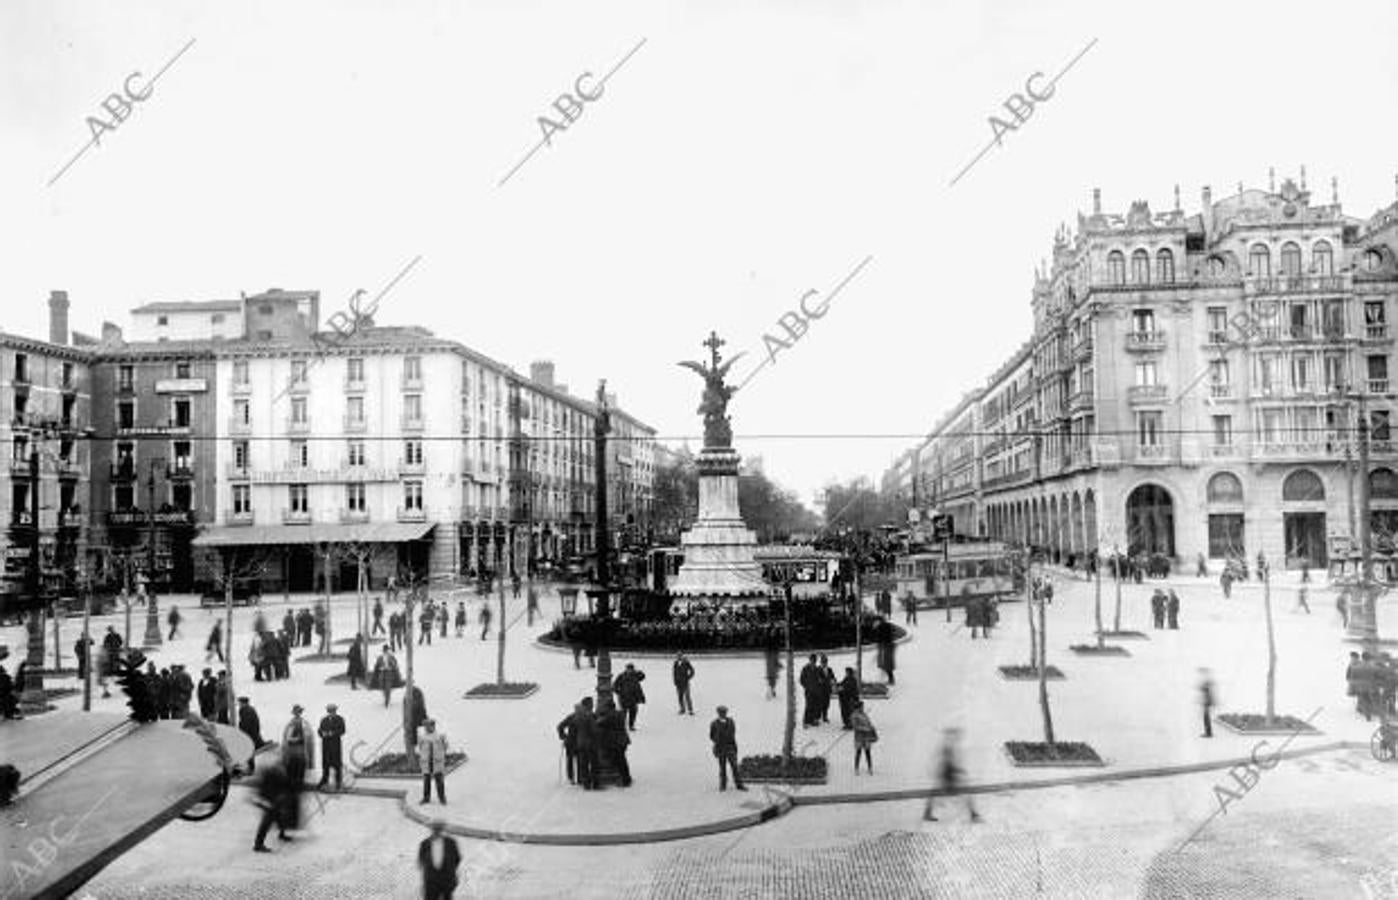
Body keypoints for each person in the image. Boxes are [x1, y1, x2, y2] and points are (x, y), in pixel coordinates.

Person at [925, 727, 979, 822]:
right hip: (949, 775)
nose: (958, 738)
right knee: (965, 792)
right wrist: (957, 772)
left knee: (936, 793)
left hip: (948, 775)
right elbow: (949, 763)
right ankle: (973, 814)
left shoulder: (948, 747)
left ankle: (927, 813)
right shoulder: (948, 749)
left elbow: (947, 762)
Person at [251, 761, 301, 853]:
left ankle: (282, 834)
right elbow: (265, 788)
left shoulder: (278, 771)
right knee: (267, 822)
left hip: (273, 798)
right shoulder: (274, 773)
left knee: (279, 816)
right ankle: (258, 845)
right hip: (269, 799)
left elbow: (287, 784)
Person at [418, 819, 462, 900]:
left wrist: (450, 871)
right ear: (431, 829)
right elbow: (421, 861)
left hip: (447, 880)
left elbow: (457, 858)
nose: (436, 830)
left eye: (438, 828)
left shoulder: (451, 843)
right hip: (431, 882)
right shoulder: (424, 844)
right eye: (434, 828)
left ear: (442, 829)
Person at [709, 705, 747, 791]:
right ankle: (723, 784)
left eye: (724, 713)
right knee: (722, 768)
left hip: (730, 747)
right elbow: (711, 736)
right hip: (721, 748)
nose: (723, 714)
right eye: (721, 713)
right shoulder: (714, 724)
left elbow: (733, 733)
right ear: (718, 713)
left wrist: (734, 747)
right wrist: (717, 739)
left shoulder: (731, 721)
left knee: (735, 767)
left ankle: (739, 784)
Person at [597, 698, 632, 787]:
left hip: (616, 742)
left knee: (619, 760)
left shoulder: (609, 716)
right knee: (622, 760)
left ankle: (625, 780)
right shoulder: (620, 714)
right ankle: (626, 778)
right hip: (623, 740)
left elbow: (600, 723)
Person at [418, 719, 450, 805]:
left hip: (437, 762)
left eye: (428, 726)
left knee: (439, 780)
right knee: (426, 781)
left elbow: (446, 746)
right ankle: (426, 798)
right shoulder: (422, 737)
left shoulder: (439, 736)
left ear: (433, 726)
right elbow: (420, 748)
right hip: (426, 762)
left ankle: (442, 798)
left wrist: (441, 754)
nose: (426, 728)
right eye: (425, 727)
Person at [282, 704, 315, 784]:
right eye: (296, 712)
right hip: (291, 748)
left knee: (300, 765)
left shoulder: (305, 724)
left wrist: (303, 739)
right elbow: (286, 736)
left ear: (301, 713)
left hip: (301, 748)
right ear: (294, 713)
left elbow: (309, 735)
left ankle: (299, 781)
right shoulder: (290, 723)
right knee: (291, 765)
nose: (297, 713)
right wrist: (292, 740)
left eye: (299, 712)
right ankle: (291, 781)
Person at [317, 703, 346, 791]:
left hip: (335, 745)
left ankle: (338, 782)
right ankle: (324, 781)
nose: (331, 712)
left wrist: (332, 733)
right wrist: (322, 733)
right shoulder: (324, 720)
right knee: (326, 764)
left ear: (335, 711)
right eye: (329, 710)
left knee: (337, 764)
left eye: (333, 710)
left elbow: (342, 730)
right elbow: (319, 730)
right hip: (326, 745)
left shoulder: (340, 719)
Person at [574, 697, 599, 790]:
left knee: (583, 764)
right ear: (588, 705)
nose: (593, 705)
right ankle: (595, 784)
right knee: (594, 764)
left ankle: (586, 784)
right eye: (592, 703)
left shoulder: (578, 715)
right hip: (591, 743)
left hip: (581, 743)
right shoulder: (589, 715)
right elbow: (594, 730)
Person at [613, 663, 647, 731]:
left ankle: (631, 725)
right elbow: (615, 686)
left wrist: (641, 698)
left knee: (633, 712)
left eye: (631, 669)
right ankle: (622, 725)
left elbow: (642, 677)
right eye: (629, 669)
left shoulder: (635, 676)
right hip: (624, 697)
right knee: (623, 713)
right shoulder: (621, 676)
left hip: (633, 697)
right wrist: (619, 692)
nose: (630, 670)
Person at [557, 700, 583, 784]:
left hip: (575, 742)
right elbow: (560, 726)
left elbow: (560, 726)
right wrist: (564, 737)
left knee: (577, 760)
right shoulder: (573, 717)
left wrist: (564, 737)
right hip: (573, 742)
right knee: (573, 760)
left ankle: (577, 778)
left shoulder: (573, 717)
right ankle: (573, 778)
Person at [239, 696, 266, 772]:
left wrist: (242, 733)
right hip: (253, 733)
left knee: (248, 750)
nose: (239, 704)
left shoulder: (246, 710)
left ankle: (251, 768)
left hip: (249, 733)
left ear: (244, 703)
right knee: (249, 750)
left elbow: (246, 723)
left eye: (240, 703)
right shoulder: (249, 709)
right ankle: (250, 767)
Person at [850, 701, 878, 774]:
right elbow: (855, 726)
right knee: (858, 752)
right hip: (859, 736)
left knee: (867, 752)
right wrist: (865, 728)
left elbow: (868, 722)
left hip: (866, 736)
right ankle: (856, 768)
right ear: (858, 707)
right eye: (862, 706)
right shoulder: (854, 715)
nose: (863, 708)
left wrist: (871, 727)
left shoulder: (864, 714)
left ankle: (870, 767)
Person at [799, 654, 820, 727]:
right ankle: (805, 721)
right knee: (808, 705)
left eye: (814, 660)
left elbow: (820, 679)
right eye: (812, 660)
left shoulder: (817, 669)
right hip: (808, 691)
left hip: (816, 691)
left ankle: (812, 720)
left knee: (815, 706)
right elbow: (801, 680)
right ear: (810, 660)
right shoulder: (805, 668)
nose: (813, 662)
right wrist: (806, 686)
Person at [1198, 668, 1215, 738]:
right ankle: (1208, 732)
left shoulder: (1207, 686)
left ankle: (1208, 733)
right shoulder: (1207, 686)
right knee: (1206, 718)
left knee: (1206, 718)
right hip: (1207, 703)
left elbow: (1205, 690)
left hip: (1207, 703)